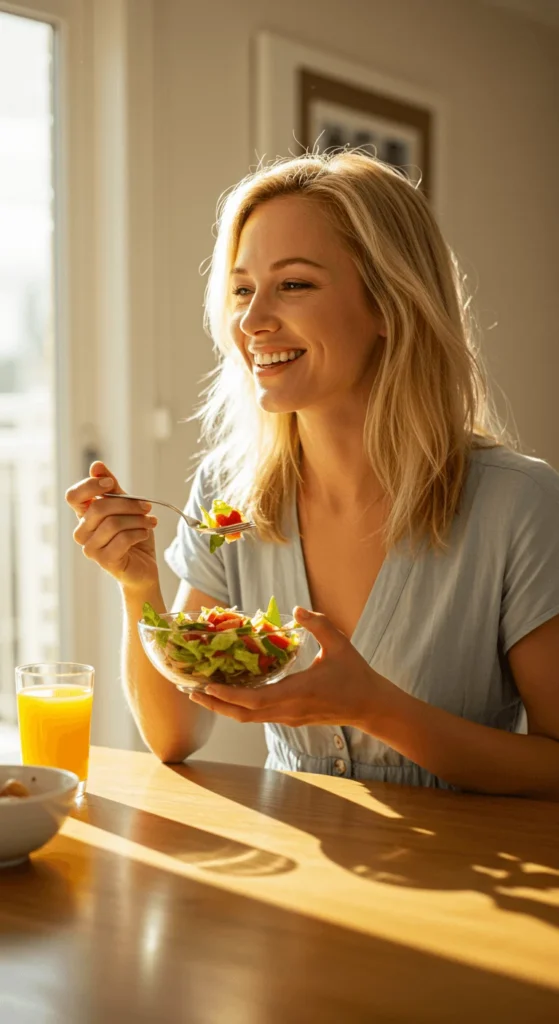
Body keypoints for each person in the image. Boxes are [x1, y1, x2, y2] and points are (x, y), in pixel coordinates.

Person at [66, 151, 559, 798]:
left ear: (389, 304)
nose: (251, 321)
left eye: (292, 285)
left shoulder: (518, 505)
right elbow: (174, 734)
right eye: (242, 290)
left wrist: (374, 707)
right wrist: (139, 586)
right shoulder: (228, 492)